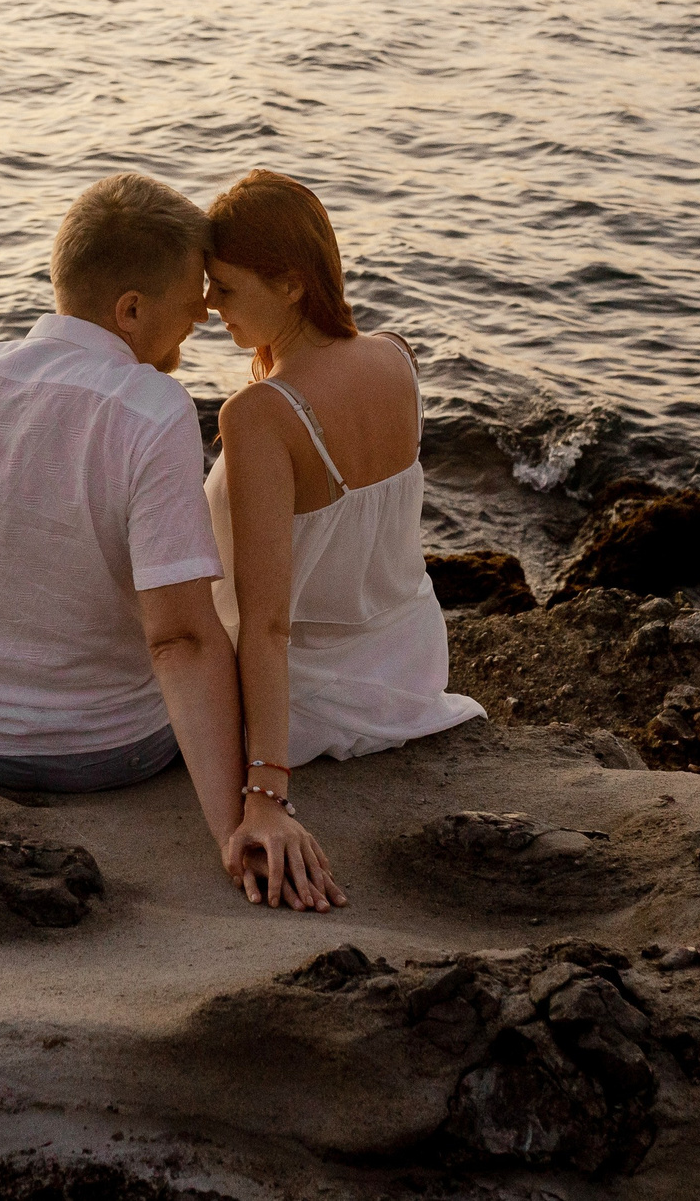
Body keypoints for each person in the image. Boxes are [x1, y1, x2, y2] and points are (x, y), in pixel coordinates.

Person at [0, 172, 337, 905]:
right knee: (212, 609)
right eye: (188, 311)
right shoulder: (150, 406)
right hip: (108, 750)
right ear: (130, 309)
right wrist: (238, 826)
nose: (196, 326)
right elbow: (179, 640)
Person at [206, 169, 485, 907]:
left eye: (225, 288)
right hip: (409, 662)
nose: (208, 307)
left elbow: (266, 621)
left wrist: (266, 792)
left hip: (311, 696)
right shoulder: (396, 356)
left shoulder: (259, 414)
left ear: (291, 284)